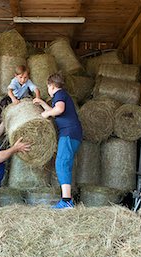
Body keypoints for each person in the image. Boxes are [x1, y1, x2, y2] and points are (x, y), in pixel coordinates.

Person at [33, 72, 82, 209]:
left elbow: (59, 110)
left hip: (68, 133)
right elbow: (56, 111)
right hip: (72, 133)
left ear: (51, 86)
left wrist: (45, 114)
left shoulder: (59, 94)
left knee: (62, 163)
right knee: (64, 163)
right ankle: (67, 200)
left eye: (48, 87)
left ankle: (66, 201)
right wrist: (42, 103)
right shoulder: (62, 96)